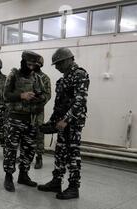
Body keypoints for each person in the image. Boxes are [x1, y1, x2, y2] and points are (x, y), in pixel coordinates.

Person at [38, 48, 90, 200]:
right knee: (60, 153)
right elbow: (59, 105)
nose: (57, 67)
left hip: (73, 123)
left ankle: (74, 187)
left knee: (73, 154)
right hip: (61, 123)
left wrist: (66, 120)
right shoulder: (62, 79)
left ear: (68, 60)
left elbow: (80, 101)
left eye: (59, 63)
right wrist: (52, 122)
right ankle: (56, 181)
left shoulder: (80, 75)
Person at [3, 51, 47, 192]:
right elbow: (6, 95)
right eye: (28, 64)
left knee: (28, 150)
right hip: (15, 118)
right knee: (11, 149)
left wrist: (37, 98)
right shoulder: (14, 75)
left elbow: (44, 95)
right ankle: (8, 177)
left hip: (30, 120)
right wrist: (21, 95)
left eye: (33, 65)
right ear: (23, 62)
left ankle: (23, 175)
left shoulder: (37, 78)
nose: (31, 68)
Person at [32, 56, 52, 169]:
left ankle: (39, 157)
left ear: (40, 64)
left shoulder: (45, 78)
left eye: (35, 63)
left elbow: (48, 94)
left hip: (38, 110)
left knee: (39, 133)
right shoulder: (27, 77)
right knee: (25, 133)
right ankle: (24, 155)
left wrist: (39, 102)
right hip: (25, 110)